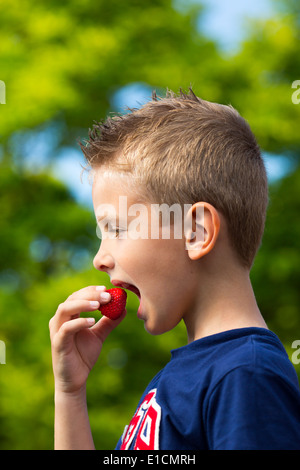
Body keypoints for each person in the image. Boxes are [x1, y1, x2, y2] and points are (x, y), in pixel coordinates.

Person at [49, 88, 300, 450]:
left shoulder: (245, 376)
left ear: (196, 232)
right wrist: (70, 393)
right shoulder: (179, 378)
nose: (99, 259)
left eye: (117, 229)